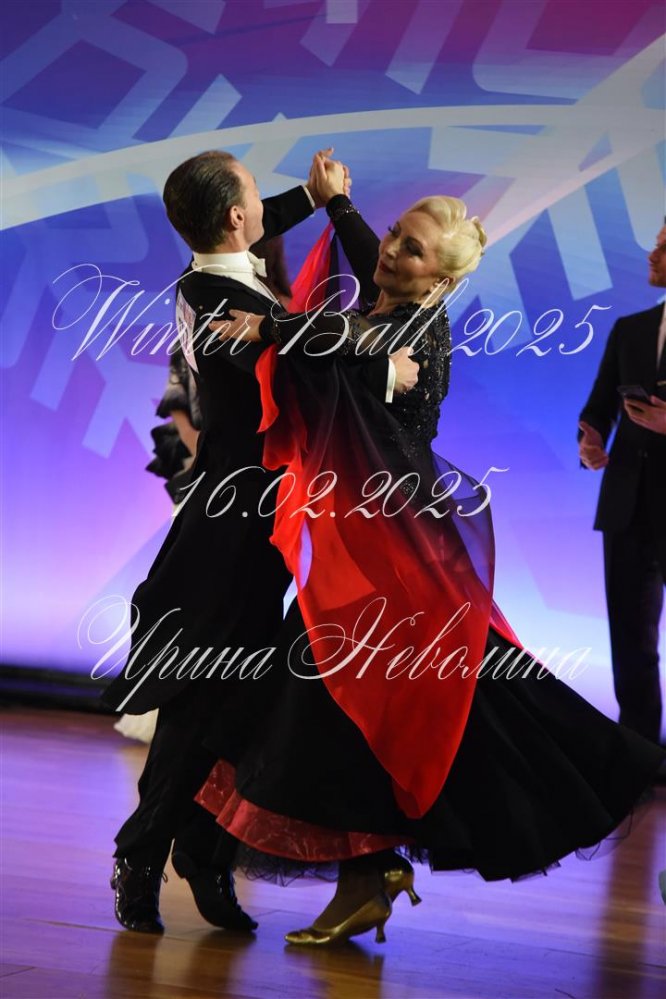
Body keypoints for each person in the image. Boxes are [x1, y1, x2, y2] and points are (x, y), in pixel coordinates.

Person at [195, 170, 664, 946]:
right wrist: (338, 203)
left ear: (441, 280)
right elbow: (364, 273)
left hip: (404, 561)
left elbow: (353, 341)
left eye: (411, 250)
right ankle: (365, 875)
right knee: (330, 711)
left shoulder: (417, 332)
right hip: (367, 555)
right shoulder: (390, 298)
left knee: (445, 707)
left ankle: (601, 771)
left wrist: (271, 326)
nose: (389, 253)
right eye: (392, 236)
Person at [101, 149, 419, 935]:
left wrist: (312, 196)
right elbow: (304, 363)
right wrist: (384, 367)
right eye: (253, 195)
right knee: (200, 699)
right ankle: (144, 854)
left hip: (264, 522)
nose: (264, 206)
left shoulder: (216, 268)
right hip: (225, 529)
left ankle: (202, 852)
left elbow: (260, 222)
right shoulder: (218, 300)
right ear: (234, 218)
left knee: (244, 701)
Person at [114, 237, 295, 746]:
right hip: (210, 469)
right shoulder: (201, 299)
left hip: (255, 474)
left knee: (235, 601)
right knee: (191, 594)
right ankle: (172, 711)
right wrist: (206, 457)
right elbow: (179, 396)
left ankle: (215, 718)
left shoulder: (278, 311)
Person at [578, 221, 666, 745]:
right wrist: (589, 440)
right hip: (627, 503)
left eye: (664, 247)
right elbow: (599, 406)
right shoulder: (630, 329)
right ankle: (640, 752)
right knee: (630, 641)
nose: (652, 254)